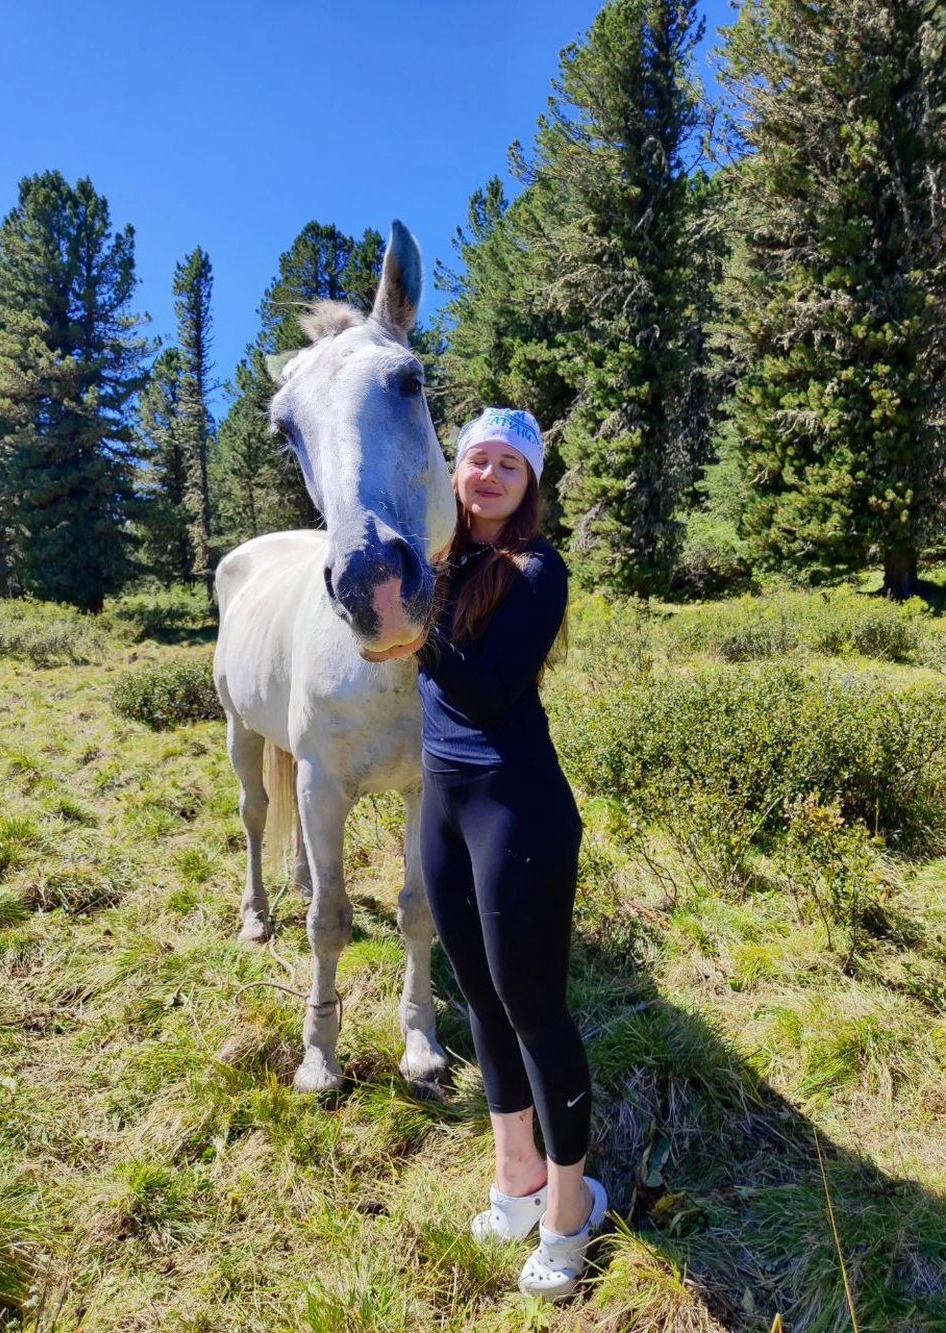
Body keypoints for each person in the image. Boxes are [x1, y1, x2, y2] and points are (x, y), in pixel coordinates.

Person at [415, 406, 606, 1301]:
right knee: (480, 1003)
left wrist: (412, 623)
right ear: (455, 473)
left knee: (535, 1008)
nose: (488, 475)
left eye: (509, 465)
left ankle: (573, 1209)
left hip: (515, 808)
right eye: (477, 459)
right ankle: (516, 1180)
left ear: (530, 484)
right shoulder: (435, 563)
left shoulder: (538, 569)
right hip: (442, 807)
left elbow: (491, 692)